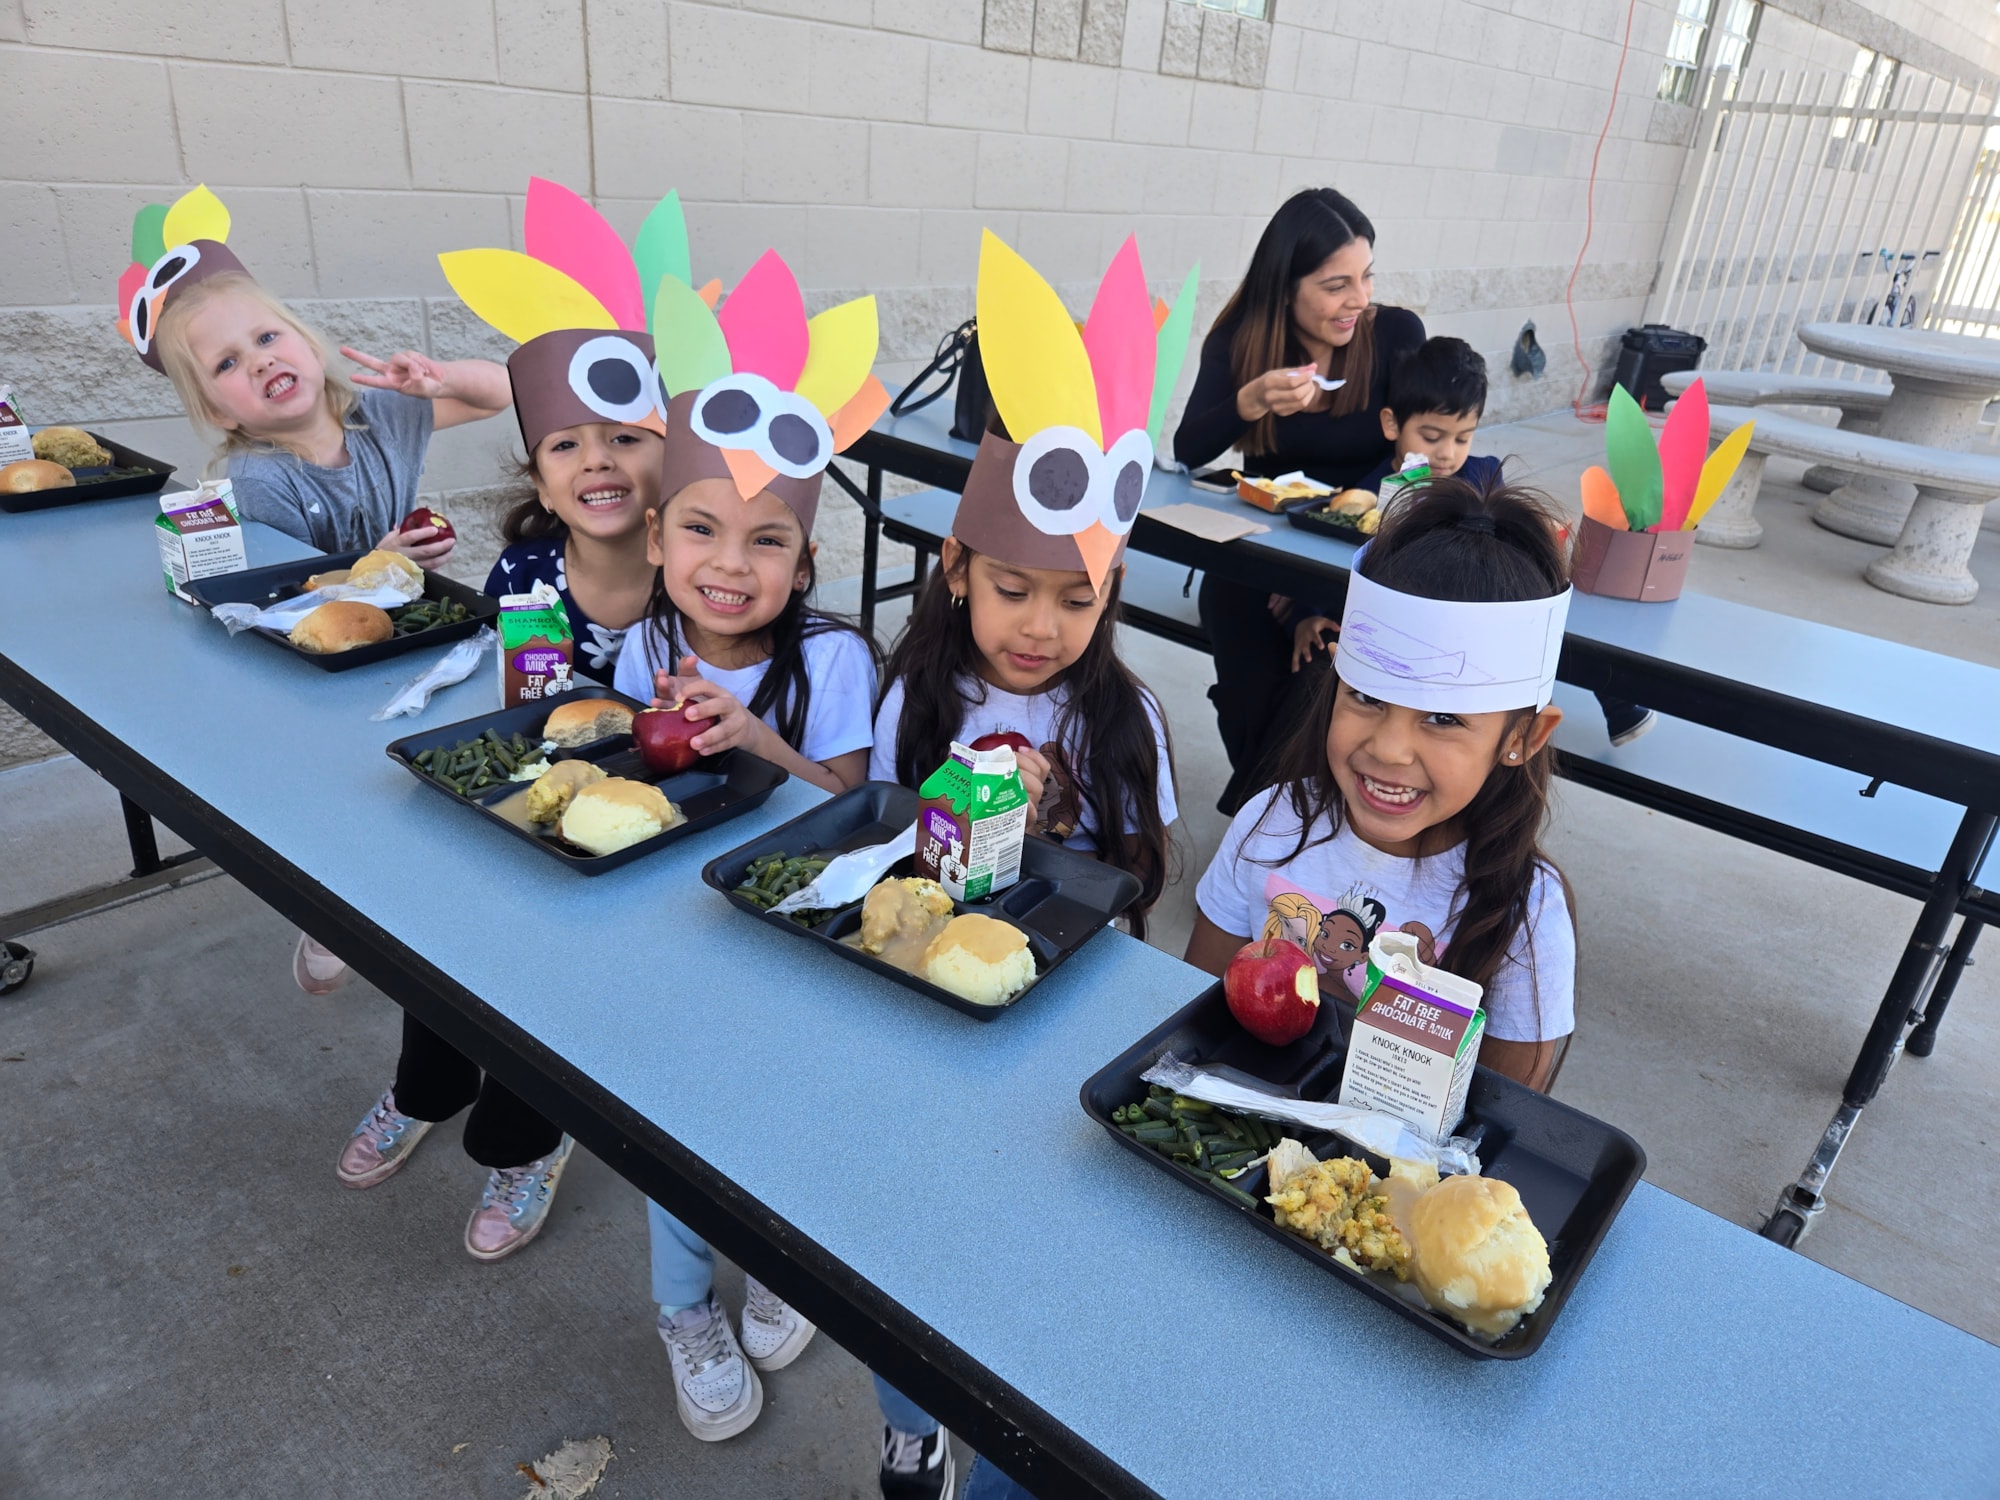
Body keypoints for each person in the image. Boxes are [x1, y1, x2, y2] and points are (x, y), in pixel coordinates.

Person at [868, 231, 1193, 1500]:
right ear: (956, 568)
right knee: (899, 1234)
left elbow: (1138, 889)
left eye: (1075, 598)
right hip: (913, 992)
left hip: (1052, 1014)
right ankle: (907, 1414)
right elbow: (876, 842)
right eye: (1011, 588)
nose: (1038, 626)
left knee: (1022, 1246)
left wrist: (1056, 843)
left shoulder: (1129, 722)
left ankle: (1009, 1427)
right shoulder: (914, 693)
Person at [332, 181, 685, 1265]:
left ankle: (531, 1135)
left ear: (672, 451)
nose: (598, 463)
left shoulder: (700, 577)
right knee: (447, 916)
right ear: (536, 468)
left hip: (654, 830)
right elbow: (511, 700)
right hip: (533, 793)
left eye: (626, 437)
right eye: (567, 445)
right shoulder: (528, 566)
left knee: (550, 974)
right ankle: (423, 1082)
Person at [610, 245, 897, 1456]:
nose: (730, 563)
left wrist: (757, 739)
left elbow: (856, 797)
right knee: (671, 1114)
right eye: (701, 530)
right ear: (660, 538)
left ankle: (783, 1262)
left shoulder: (831, 662)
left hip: (797, 920)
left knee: (786, 1112)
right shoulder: (642, 646)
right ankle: (685, 1306)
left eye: (766, 540)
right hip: (671, 926)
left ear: (805, 559)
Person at [121, 185, 511, 995]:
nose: (259, 359)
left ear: (305, 338)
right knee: (346, 789)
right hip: (317, 663)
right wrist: (380, 557)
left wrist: (442, 372)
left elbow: (500, 394)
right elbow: (284, 600)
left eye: (267, 335)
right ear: (214, 406)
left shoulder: (380, 416)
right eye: (228, 363)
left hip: (412, 632)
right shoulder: (255, 482)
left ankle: (429, 883)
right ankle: (333, 904)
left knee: (434, 764)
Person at [1185, 478, 1578, 1091]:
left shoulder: (1525, 912)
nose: (1388, 749)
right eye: (1365, 696)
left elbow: (1508, 1120)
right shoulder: (1271, 821)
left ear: (1521, 739)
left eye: (1444, 718)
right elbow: (1192, 1013)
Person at [1171, 187, 1426, 815]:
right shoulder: (1241, 339)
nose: (1359, 300)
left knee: (1319, 674)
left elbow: (1422, 445)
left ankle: (1252, 816)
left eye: (1365, 277)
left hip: (1359, 556)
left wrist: (1364, 488)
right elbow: (1189, 450)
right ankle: (1273, 817)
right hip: (1259, 551)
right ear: (1286, 286)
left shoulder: (1394, 334)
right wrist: (1249, 402)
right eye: (1337, 285)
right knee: (1247, 667)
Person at [1288, 337, 1656, 748]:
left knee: (1552, 620)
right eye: (1431, 436)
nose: (1447, 454)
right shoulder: (1375, 492)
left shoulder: (1482, 476)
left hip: (1485, 608)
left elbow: (1509, 541)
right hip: (1423, 632)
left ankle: (1619, 701)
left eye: (1463, 438)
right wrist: (1305, 613)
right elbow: (1347, 566)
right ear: (1392, 424)